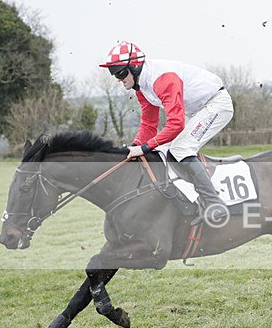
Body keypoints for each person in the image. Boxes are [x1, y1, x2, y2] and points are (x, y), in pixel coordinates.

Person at [99, 41, 234, 226]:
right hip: (198, 110)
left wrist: (144, 147)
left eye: (121, 72)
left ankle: (214, 204)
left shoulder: (162, 79)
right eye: (113, 73)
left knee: (181, 149)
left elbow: (176, 124)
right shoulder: (141, 88)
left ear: (135, 66)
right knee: (161, 151)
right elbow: (148, 124)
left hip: (217, 104)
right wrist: (135, 147)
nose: (118, 78)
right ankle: (188, 201)